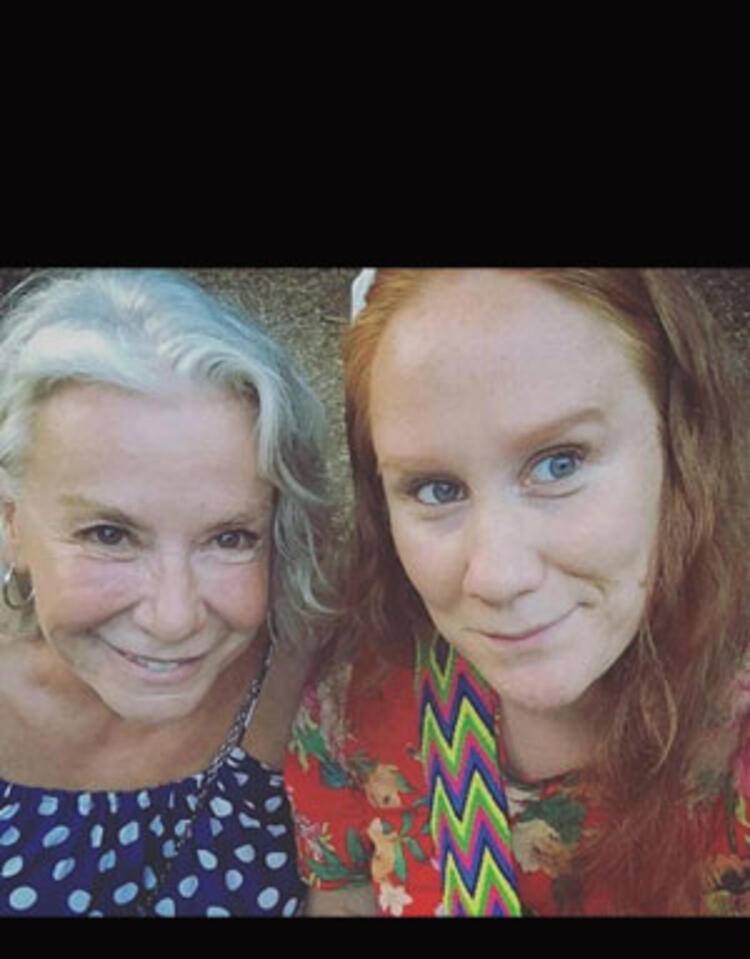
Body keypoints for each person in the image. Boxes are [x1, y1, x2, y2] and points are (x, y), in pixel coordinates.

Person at [286, 267, 750, 916]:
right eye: (436, 489)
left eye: (560, 463)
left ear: (685, 445)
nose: (497, 577)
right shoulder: (354, 715)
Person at [0, 267, 333, 916]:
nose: (173, 618)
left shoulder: (328, 698)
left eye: (231, 538)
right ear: (12, 525)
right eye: (109, 535)